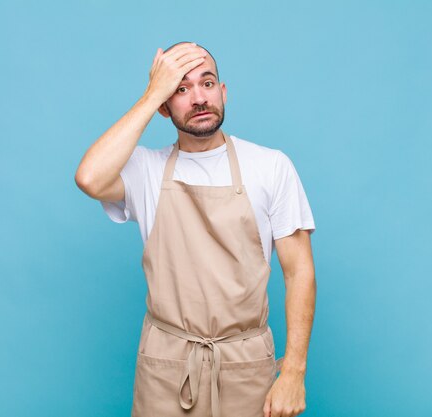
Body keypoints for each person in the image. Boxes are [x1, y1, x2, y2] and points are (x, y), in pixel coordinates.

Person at [75, 41, 316, 417]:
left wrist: (295, 373)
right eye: (181, 90)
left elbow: (299, 271)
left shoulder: (271, 166)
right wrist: (151, 93)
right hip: (166, 367)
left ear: (224, 92)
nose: (198, 98)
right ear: (164, 108)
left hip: (246, 364)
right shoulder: (145, 171)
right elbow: (89, 178)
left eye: (207, 83)